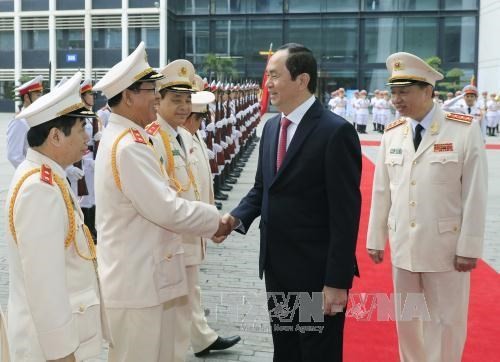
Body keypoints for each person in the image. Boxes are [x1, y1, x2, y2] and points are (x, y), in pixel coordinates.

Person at [222, 43, 362, 361]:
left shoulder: (334, 132)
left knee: (314, 352)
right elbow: (262, 189)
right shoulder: (272, 127)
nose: (267, 83)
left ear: (302, 80)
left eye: (274, 75)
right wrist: (235, 219)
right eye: (267, 75)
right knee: (286, 351)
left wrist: (336, 282)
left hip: (315, 275)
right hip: (278, 269)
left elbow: (346, 214)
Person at [92, 42, 228, 361]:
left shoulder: (134, 138)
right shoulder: (129, 146)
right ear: (128, 96)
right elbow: (166, 207)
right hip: (137, 283)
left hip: (148, 277)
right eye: (151, 89)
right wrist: (215, 221)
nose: (156, 96)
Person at [367, 52, 487, 362]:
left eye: (404, 91)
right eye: (393, 91)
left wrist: (469, 247)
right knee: (408, 322)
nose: (397, 99)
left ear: (427, 91)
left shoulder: (463, 130)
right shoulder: (393, 133)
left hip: (446, 251)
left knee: (446, 322)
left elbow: (475, 193)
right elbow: (382, 191)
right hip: (404, 249)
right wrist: (376, 238)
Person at [5, 71, 111, 361]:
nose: (87, 138)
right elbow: (44, 285)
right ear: (55, 136)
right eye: (80, 129)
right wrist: (62, 353)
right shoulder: (39, 189)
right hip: (54, 348)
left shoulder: (50, 176)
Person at [145, 60, 240, 359]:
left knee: (183, 312)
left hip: (189, 236)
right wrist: (212, 224)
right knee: (170, 322)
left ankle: (199, 341)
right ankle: (198, 342)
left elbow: (197, 185)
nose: (185, 107)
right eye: (177, 100)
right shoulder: (151, 138)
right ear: (158, 101)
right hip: (171, 243)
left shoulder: (182, 135)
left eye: (188, 100)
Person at [181, 74, 242, 357]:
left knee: (190, 287)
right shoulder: (177, 140)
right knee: (187, 287)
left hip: (198, 227)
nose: (203, 117)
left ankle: (199, 334)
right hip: (185, 229)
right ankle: (200, 337)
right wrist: (210, 224)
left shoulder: (190, 136)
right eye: (199, 112)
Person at [7, 75, 44, 168]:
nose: (41, 98)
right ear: (27, 97)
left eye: (41, 95)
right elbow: (14, 156)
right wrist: (33, 171)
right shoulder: (19, 121)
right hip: (31, 174)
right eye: (38, 95)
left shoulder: (38, 117)